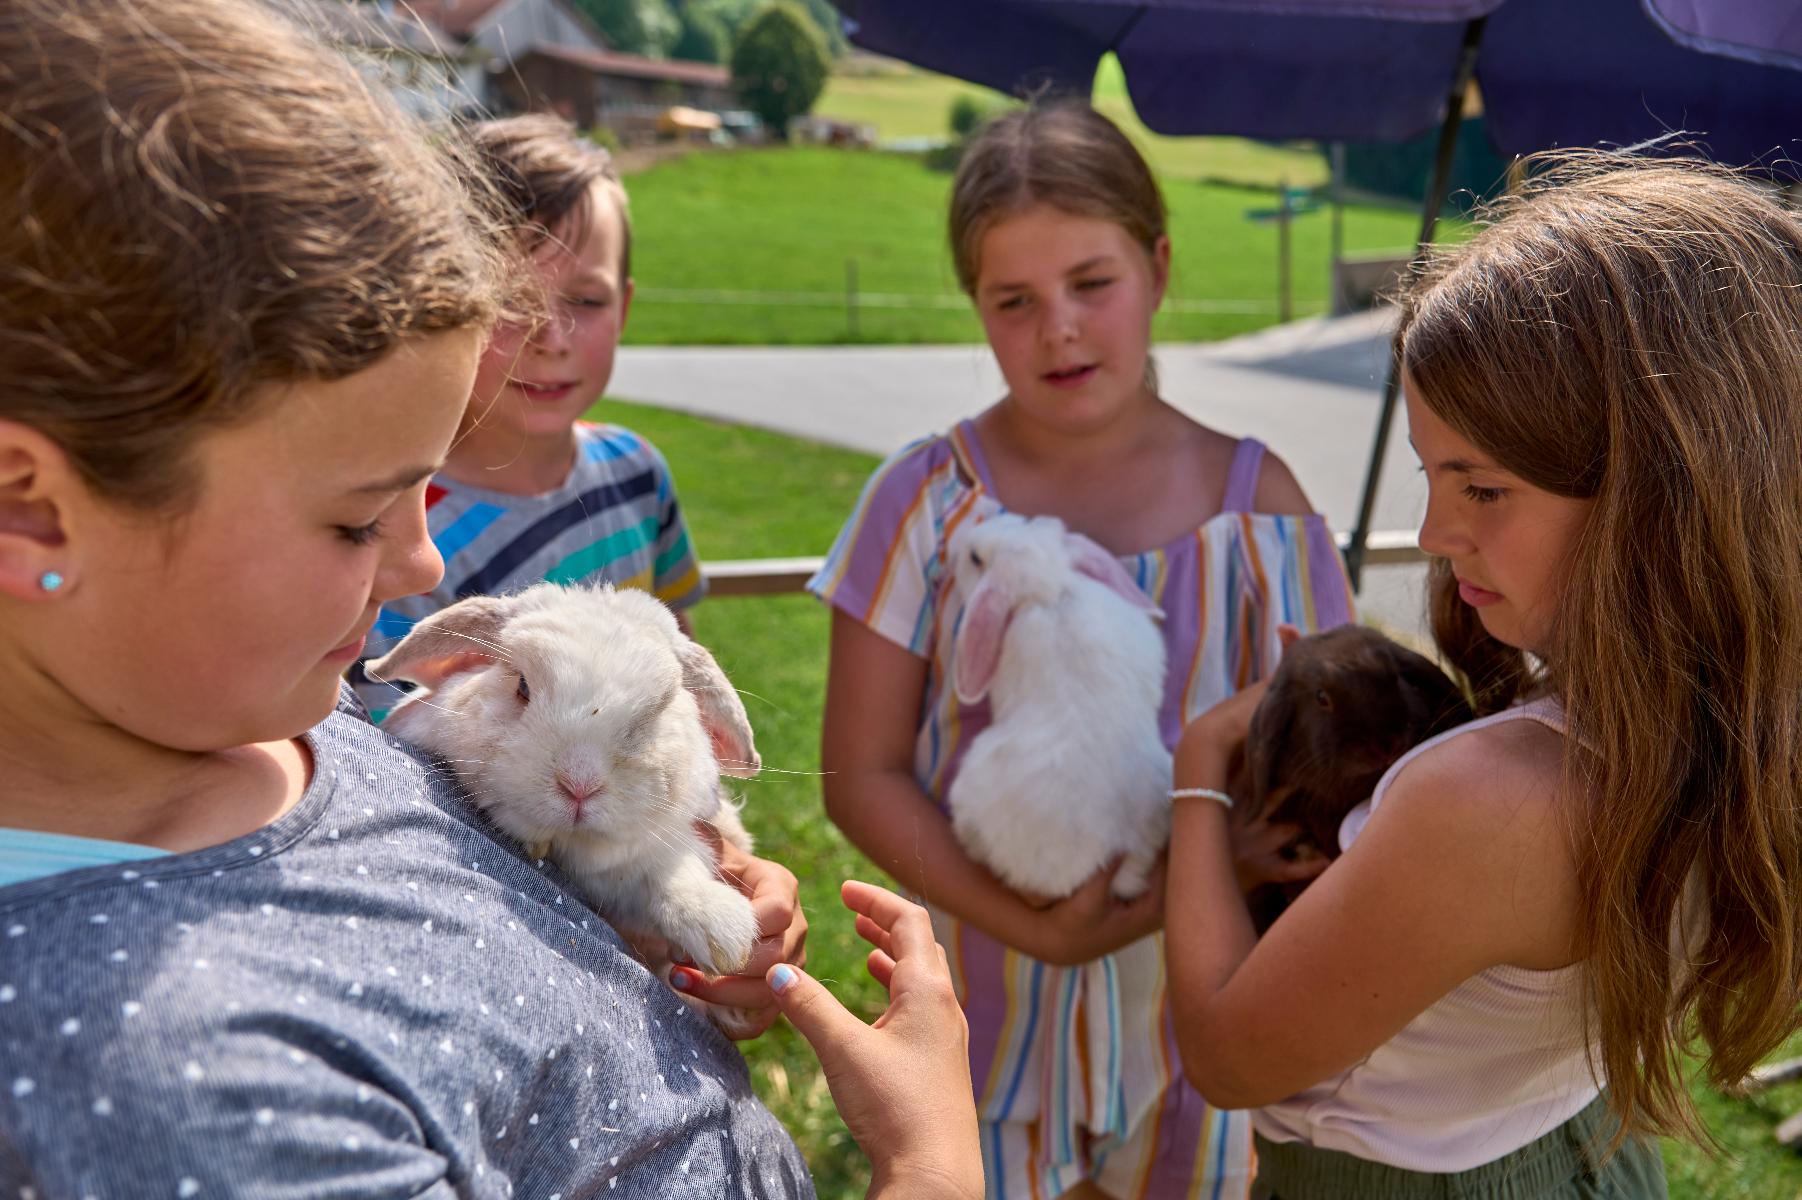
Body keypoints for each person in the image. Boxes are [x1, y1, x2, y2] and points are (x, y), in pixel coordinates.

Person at [0, 1, 981, 1196]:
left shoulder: (311, 741)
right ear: (33, 509)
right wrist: (930, 1163)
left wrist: (653, 891)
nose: (424, 567)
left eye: (420, 495)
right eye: (358, 517)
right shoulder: (180, 1090)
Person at [1165, 156, 1802, 1198]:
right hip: (1583, 1154)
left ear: (1660, 497)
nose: (1429, 531)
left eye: (1482, 487)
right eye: (1428, 474)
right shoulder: (1736, 713)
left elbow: (1229, 1057)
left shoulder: (1492, 804)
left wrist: (1198, 771)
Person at [811, 100, 1353, 1199]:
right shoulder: (923, 506)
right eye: (1014, 301)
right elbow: (858, 771)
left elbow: (1328, 780)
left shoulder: (1263, 515)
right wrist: (1041, 931)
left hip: (1198, 1046)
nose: (1057, 327)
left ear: (1156, 267)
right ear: (976, 306)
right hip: (981, 1042)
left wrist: (1163, 903)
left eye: (1090, 285)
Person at [353, 113, 704, 720]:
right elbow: (394, 743)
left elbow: (678, 664)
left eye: (586, 301)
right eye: (511, 302)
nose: (552, 337)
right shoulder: (405, 537)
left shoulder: (639, 475)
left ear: (623, 309)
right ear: (440, 306)